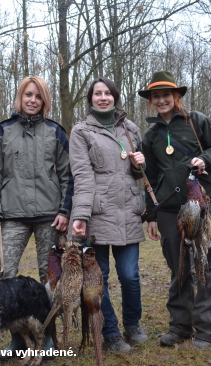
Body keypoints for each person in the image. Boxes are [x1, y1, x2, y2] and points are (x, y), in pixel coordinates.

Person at [140, 71, 211, 350]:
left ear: (176, 96)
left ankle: (207, 330)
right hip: (168, 209)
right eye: (156, 96)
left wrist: (204, 159)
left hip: (203, 203)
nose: (162, 100)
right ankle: (180, 326)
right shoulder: (151, 135)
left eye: (167, 94)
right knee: (179, 268)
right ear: (151, 101)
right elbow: (150, 180)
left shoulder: (197, 121)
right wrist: (151, 215)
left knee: (207, 264)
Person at [0, 75, 73, 354]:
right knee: (2, 276)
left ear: (44, 101)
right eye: (28, 95)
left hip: (50, 215)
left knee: (49, 281)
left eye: (38, 96)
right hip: (10, 215)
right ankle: (18, 339)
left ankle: (46, 338)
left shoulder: (55, 132)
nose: (32, 100)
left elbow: (67, 176)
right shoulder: (2, 131)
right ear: (20, 98)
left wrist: (64, 210)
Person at [70, 77, 147, 353]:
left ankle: (133, 324)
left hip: (128, 209)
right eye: (97, 94)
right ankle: (111, 331)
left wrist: (140, 164)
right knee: (98, 279)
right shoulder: (80, 132)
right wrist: (80, 214)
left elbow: (138, 174)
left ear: (115, 97)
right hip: (97, 212)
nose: (103, 98)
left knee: (130, 276)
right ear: (90, 99)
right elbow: (82, 174)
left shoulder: (130, 129)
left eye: (107, 93)